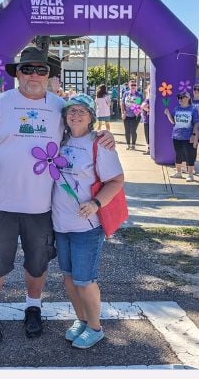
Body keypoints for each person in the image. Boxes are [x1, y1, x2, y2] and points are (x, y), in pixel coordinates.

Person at [0, 49, 115, 344]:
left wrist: (104, 134)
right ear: (18, 73)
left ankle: (33, 307)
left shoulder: (61, 107)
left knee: (37, 264)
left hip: (42, 207)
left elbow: (81, 129)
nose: (34, 75)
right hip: (0, 204)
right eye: (28, 69)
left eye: (41, 70)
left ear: (49, 75)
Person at [53, 94, 124, 349]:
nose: (76, 115)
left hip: (87, 226)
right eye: (71, 111)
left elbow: (116, 181)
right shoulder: (59, 139)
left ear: (92, 116)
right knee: (69, 278)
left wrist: (96, 203)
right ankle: (81, 320)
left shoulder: (99, 144)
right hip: (60, 224)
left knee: (85, 280)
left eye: (82, 111)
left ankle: (96, 328)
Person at [166, 89, 198, 181]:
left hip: (188, 136)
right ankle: (178, 172)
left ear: (188, 98)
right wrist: (168, 114)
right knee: (178, 154)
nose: (180, 99)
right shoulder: (176, 109)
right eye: (179, 97)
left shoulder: (193, 109)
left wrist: (194, 135)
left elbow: (196, 123)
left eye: (182, 97)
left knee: (190, 155)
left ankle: (190, 174)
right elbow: (173, 121)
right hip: (176, 136)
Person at [120, 78, 145, 150]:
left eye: (135, 85)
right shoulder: (126, 93)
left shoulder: (139, 94)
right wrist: (123, 113)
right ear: (129, 85)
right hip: (126, 115)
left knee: (133, 130)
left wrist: (138, 111)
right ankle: (128, 144)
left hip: (135, 116)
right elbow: (122, 104)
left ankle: (133, 145)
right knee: (127, 130)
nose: (133, 86)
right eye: (132, 85)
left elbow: (141, 104)